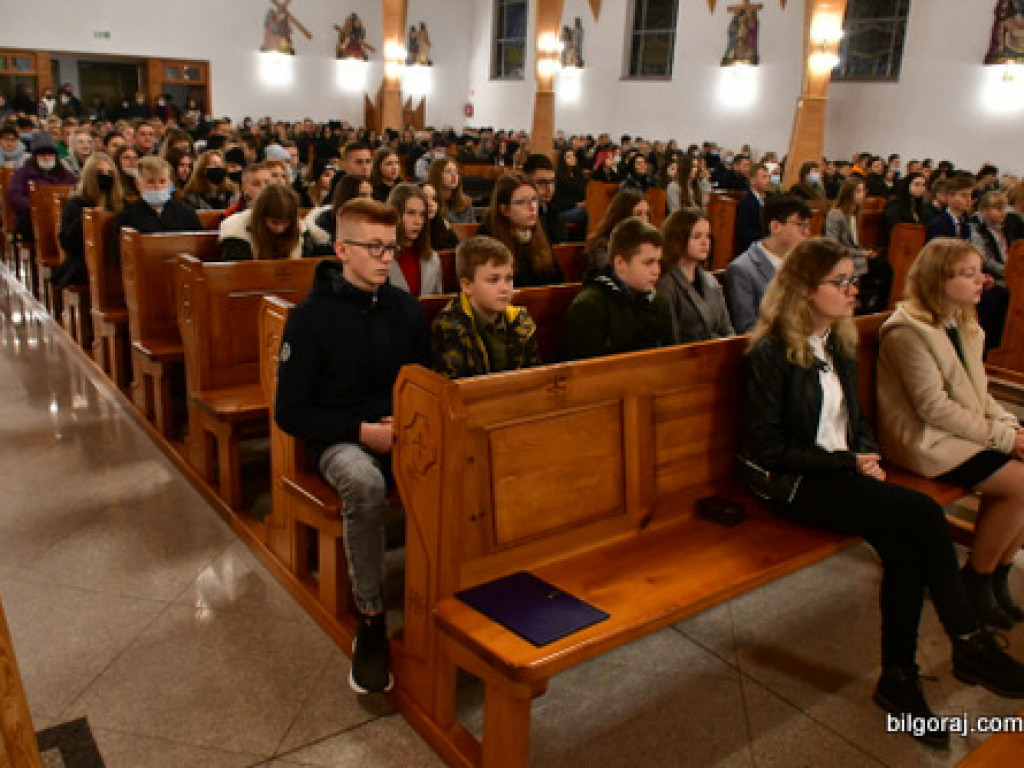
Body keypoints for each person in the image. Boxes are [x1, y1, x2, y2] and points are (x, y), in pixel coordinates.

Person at [740, 235, 1024, 748]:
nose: (854, 291)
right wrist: (847, 461)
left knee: (907, 551)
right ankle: (965, 638)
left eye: (854, 281)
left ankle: (899, 679)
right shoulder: (770, 350)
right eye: (841, 282)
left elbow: (858, 420)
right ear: (805, 290)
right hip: (793, 483)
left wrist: (864, 455)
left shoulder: (838, 340)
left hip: (844, 473)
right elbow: (765, 445)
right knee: (920, 514)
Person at [274, 198, 429, 695]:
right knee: (363, 484)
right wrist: (363, 431)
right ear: (341, 248)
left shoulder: (405, 310)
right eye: (374, 247)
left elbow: (424, 379)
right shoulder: (310, 318)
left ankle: (448, 595)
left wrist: (403, 419)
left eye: (392, 247)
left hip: (399, 426)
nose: (387, 258)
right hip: (340, 436)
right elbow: (291, 412)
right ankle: (371, 617)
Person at [878, 236, 1024, 633]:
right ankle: (975, 581)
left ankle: (995, 573)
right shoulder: (908, 331)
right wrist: (1002, 439)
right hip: (924, 441)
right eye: (968, 274)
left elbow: (979, 392)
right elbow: (933, 408)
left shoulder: (962, 322)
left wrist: (1011, 427)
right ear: (937, 280)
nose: (982, 282)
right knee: (1019, 484)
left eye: (979, 272)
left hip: (956, 432)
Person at [431, 235, 541, 378]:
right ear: (467, 285)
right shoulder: (449, 326)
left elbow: (535, 375)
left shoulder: (521, 321)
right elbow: (453, 386)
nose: (504, 288)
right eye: (493, 280)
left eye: (509, 279)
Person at [563, 218, 673, 360]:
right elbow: (584, 374)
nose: (656, 271)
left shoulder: (658, 304)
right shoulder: (589, 307)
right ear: (620, 263)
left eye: (658, 262)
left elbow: (669, 362)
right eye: (648, 262)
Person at [725, 195, 811, 334]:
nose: (807, 233)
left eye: (807, 226)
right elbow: (747, 329)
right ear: (775, 226)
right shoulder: (742, 269)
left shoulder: (804, 263)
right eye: (801, 225)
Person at [657, 209, 734, 343]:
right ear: (678, 239)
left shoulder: (711, 281)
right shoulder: (666, 285)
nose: (705, 242)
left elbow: (727, 330)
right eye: (697, 236)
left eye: (708, 236)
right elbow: (671, 341)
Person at [52, 152, 123, 289]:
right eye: (100, 172)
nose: (105, 176)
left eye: (109, 172)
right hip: (82, 261)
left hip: (112, 261)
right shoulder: (76, 203)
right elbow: (66, 241)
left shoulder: (120, 203)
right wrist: (85, 220)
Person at [477, 172, 563, 287]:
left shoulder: (541, 233)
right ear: (504, 209)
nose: (532, 207)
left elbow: (556, 281)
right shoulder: (487, 240)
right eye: (522, 202)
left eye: (534, 199)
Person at [112, 156, 201, 266]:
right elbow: (120, 256)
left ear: (170, 183)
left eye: (162, 181)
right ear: (138, 184)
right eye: (151, 182)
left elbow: (199, 248)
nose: (157, 187)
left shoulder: (186, 213)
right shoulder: (126, 217)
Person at [826, 177, 891, 313]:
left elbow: (854, 243)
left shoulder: (855, 214)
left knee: (885, 269)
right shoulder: (836, 214)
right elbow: (833, 244)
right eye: (858, 191)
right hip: (842, 256)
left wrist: (865, 252)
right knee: (877, 270)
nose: (863, 195)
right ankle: (864, 307)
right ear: (849, 193)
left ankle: (875, 308)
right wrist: (861, 253)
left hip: (856, 254)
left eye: (863, 191)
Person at [971, 191, 1021, 349]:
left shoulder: (1006, 229)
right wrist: (1009, 270)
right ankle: (994, 347)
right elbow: (984, 259)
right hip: (992, 276)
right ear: (984, 210)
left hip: (1009, 275)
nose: (1003, 213)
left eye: (1004, 208)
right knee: (1004, 298)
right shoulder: (977, 228)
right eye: (998, 209)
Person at [8, 132, 77, 242]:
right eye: (42, 154)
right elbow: (15, 197)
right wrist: (38, 206)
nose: (46, 157)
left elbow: (76, 191)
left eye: (50, 154)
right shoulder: (23, 174)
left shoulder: (65, 174)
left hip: (61, 218)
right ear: (35, 156)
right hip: (32, 221)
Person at [219, 184, 308, 261]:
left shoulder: (300, 230)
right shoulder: (236, 233)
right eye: (274, 222)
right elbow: (239, 272)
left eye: (286, 222)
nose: (280, 229)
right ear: (261, 216)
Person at [386, 183, 442, 296]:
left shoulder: (433, 259)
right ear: (395, 214)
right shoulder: (380, 256)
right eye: (411, 213)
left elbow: (437, 304)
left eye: (422, 215)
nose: (418, 221)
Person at [584, 190, 649, 271]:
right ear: (623, 217)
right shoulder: (602, 246)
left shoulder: (646, 244)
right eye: (638, 214)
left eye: (646, 214)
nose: (644, 219)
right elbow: (613, 275)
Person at [734, 162, 771, 257]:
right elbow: (744, 232)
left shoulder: (768, 199)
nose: (768, 180)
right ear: (753, 180)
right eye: (764, 177)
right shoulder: (746, 202)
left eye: (768, 177)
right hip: (750, 251)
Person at [926, 173, 975, 242]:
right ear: (950, 197)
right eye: (964, 195)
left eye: (970, 195)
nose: (969, 199)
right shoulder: (938, 225)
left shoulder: (966, 223)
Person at [427, 158, 475, 224]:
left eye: (456, 172)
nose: (454, 175)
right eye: (448, 171)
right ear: (437, 175)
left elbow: (472, 228)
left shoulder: (466, 202)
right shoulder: (430, 201)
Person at [420, 181, 459, 251]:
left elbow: (456, 250)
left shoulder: (443, 225)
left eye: (434, 199)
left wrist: (448, 230)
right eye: (424, 198)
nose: (431, 203)